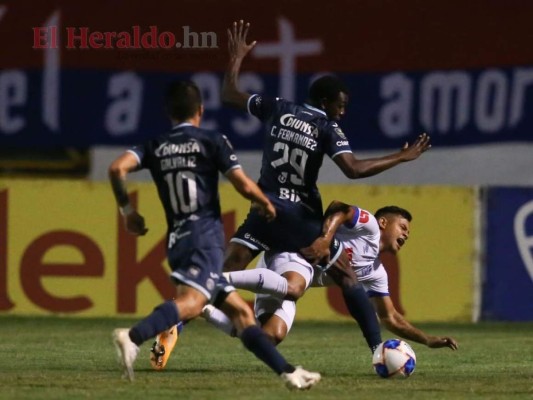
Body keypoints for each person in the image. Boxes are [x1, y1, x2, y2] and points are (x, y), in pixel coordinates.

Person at [220, 20, 432, 353]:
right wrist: (402, 156)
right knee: (347, 278)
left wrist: (235, 58)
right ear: (325, 101)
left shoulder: (278, 108)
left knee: (231, 264)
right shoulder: (326, 127)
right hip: (300, 215)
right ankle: (377, 349)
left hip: (264, 208)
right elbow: (353, 169)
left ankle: (177, 317)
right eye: (340, 105)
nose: (342, 113)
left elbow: (229, 94)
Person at [109, 80, 321, 390]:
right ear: (201, 110)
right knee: (193, 302)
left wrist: (128, 213)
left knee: (241, 314)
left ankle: (289, 373)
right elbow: (242, 184)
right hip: (204, 236)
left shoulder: (155, 144)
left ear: (168, 111)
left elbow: (117, 169)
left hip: (177, 238)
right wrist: (264, 203)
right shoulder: (212, 141)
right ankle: (134, 335)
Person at [204, 201, 459, 352]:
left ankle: (205, 307)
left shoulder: (376, 272)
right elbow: (339, 207)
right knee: (294, 288)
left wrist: (427, 340)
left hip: (288, 278)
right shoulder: (368, 225)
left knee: (268, 337)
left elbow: (390, 317)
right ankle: (216, 280)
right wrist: (326, 238)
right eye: (402, 227)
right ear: (383, 222)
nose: (406, 235)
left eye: (408, 233)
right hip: (291, 254)